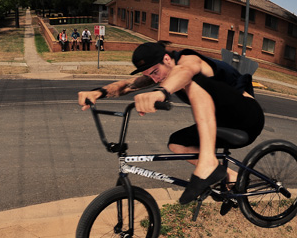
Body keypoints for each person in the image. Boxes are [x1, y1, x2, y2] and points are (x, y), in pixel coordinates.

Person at [77, 41, 264, 205]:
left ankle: (209, 163)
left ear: (167, 59)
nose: (155, 79)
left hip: (247, 117)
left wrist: (161, 92)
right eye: (150, 75)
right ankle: (231, 177)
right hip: (221, 122)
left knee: (192, 80)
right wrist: (98, 93)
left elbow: (185, 71)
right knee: (177, 143)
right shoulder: (161, 74)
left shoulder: (188, 60)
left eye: (155, 72)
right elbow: (127, 85)